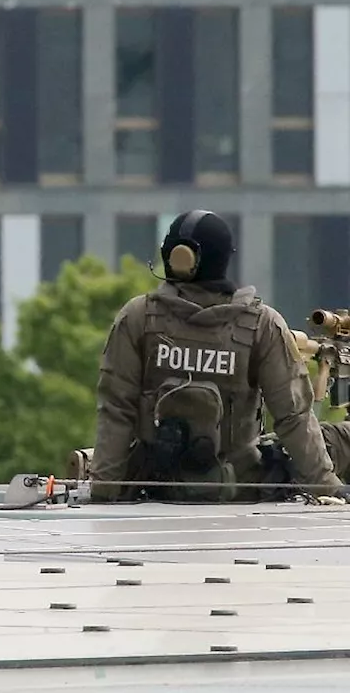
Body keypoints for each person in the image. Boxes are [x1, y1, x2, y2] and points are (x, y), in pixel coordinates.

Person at [91, 209, 350, 503]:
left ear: (174, 257)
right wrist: (330, 489)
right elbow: (294, 418)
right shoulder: (260, 324)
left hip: (156, 482)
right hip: (240, 485)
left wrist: (104, 492)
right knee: (340, 438)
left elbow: (115, 411)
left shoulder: (138, 317)